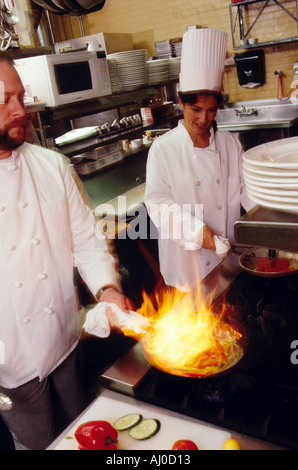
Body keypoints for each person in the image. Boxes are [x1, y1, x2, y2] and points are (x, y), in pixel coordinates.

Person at [0, 51, 134, 450]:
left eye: (21, 97)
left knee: (90, 435)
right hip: (13, 363)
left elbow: (88, 240)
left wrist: (107, 291)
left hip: (66, 335)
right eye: (5, 100)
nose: (20, 110)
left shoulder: (51, 165)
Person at [145, 28, 255, 292]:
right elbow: (158, 203)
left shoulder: (229, 143)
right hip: (187, 267)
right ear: (181, 103)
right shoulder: (163, 149)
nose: (204, 119)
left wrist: (272, 218)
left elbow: (244, 191)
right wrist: (196, 231)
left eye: (211, 110)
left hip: (228, 259)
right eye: (196, 110)